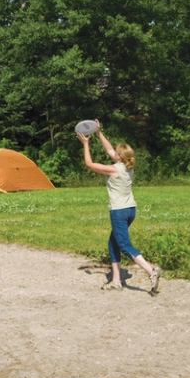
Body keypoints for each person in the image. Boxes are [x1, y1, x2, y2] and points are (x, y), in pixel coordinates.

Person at [79, 125, 162, 293]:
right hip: (131, 210)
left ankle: (150, 270)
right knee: (113, 243)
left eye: (116, 152)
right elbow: (109, 149)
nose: (112, 152)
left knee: (124, 244)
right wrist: (98, 132)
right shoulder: (128, 167)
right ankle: (116, 280)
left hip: (119, 211)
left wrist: (85, 143)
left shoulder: (114, 169)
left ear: (119, 156)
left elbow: (89, 164)